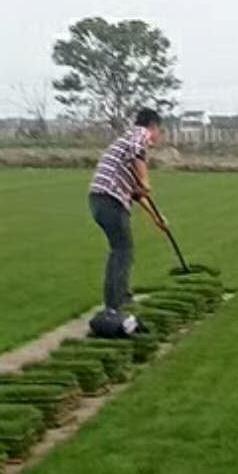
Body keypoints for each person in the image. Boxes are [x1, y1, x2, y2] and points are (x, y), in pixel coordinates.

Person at [88, 107, 164, 331]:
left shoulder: (127, 156)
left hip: (101, 200)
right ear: (153, 126)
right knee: (123, 250)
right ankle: (116, 303)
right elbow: (138, 153)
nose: (159, 136)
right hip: (108, 199)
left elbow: (137, 194)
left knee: (120, 249)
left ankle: (120, 297)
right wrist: (145, 178)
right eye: (160, 131)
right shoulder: (138, 134)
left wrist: (157, 219)